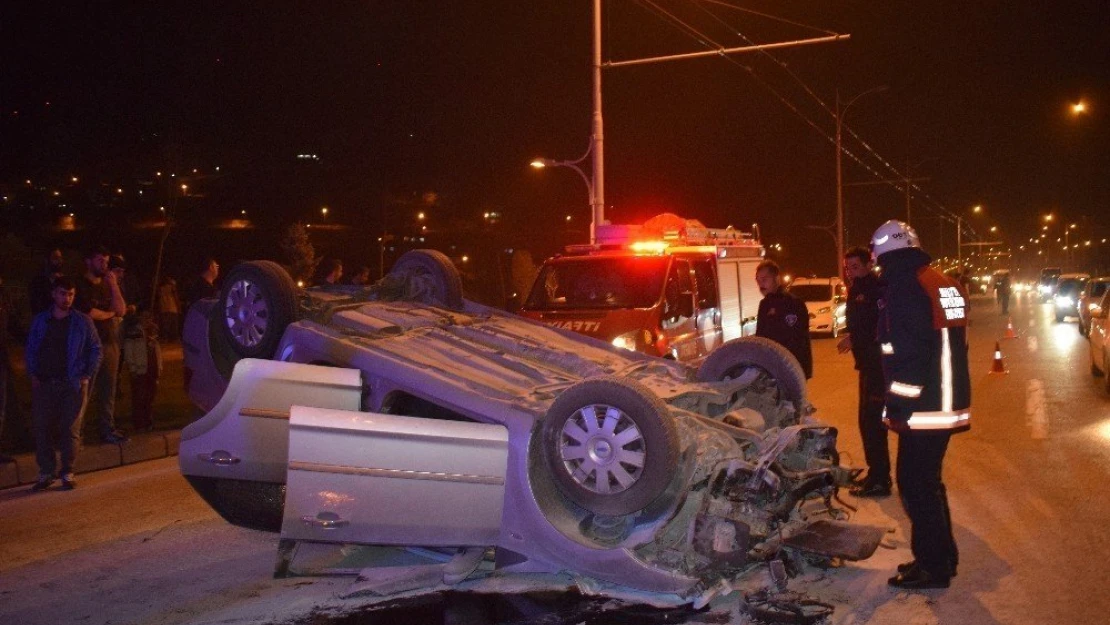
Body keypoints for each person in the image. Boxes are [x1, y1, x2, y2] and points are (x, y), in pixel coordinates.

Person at [871, 220, 970, 590]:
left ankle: (933, 567)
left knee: (914, 486)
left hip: (924, 406)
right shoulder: (942, 281)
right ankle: (942, 557)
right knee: (929, 484)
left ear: (883, 254)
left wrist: (897, 407)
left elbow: (910, 355)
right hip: (947, 399)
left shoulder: (905, 287)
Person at [25, 276, 102, 491]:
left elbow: (96, 348)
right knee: (42, 427)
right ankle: (46, 471)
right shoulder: (41, 320)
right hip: (46, 382)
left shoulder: (82, 321)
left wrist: (86, 373)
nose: (66, 298)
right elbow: (31, 347)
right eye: (62, 293)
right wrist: (33, 372)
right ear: (53, 294)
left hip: (72, 383)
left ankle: (67, 470)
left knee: (70, 428)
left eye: (70, 294)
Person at [837, 247, 891, 497]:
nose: (850, 272)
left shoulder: (876, 289)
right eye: (848, 268)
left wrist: (854, 338)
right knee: (866, 423)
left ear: (869, 265)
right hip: (866, 366)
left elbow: (878, 328)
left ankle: (881, 480)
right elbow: (859, 323)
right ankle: (876, 474)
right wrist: (852, 335)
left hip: (877, 366)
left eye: (855, 267)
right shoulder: (857, 288)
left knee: (873, 423)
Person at [74, 245, 127, 443]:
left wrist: (113, 285)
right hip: (88, 345)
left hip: (109, 341)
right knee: (85, 391)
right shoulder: (80, 286)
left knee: (108, 389)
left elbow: (121, 310)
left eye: (106, 261)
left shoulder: (107, 284)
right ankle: (77, 432)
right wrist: (109, 314)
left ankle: (106, 429)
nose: (104, 264)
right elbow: (89, 312)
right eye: (100, 260)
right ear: (88, 261)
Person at [755, 259, 813, 379]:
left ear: (777, 278)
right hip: (772, 369)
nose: (761, 284)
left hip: (791, 368)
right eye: (758, 280)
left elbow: (797, 339)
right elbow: (761, 336)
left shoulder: (793, 303)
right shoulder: (764, 304)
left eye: (765, 279)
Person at [122, 313, 162, 433]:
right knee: (139, 397)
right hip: (140, 370)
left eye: (150, 318)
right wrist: (132, 368)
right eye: (146, 317)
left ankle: (148, 421)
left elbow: (157, 352)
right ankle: (139, 423)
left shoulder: (152, 331)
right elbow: (129, 350)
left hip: (152, 370)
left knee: (150, 397)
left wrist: (159, 368)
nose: (149, 320)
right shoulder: (134, 331)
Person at [28, 248, 66, 316]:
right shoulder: (38, 282)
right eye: (55, 258)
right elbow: (37, 305)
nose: (59, 261)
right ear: (47, 260)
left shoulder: (65, 280)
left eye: (60, 258)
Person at [156, 276, 181, 341]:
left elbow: (158, 298)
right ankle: (173, 339)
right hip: (172, 308)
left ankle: (165, 338)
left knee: (165, 325)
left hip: (164, 308)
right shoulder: (172, 287)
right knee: (173, 325)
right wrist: (179, 307)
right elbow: (176, 297)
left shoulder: (160, 288)